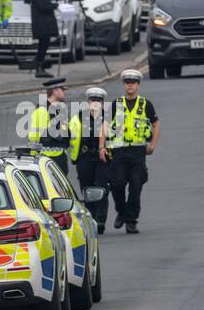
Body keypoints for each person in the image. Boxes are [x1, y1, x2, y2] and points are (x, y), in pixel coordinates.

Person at [101, 69, 158, 234]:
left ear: (138, 85)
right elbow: (104, 126)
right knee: (117, 184)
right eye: (127, 83)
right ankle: (122, 211)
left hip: (138, 151)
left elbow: (156, 124)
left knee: (135, 185)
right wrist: (102, 147)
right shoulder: (116, 104)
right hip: (118, 151)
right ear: (124, 85)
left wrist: (153, 144)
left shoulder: (146, 104)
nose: (130, 86)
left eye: (133, 83)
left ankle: (131, 220)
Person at [70, 86, 110, 233]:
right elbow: (71, 136)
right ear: (88, 102)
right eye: (93, 100)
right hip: (84, 158)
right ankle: (91, 218)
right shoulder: (79, 117)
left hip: (103, 158)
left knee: (101, 187)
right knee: (87, 189)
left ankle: (100, 219)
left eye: (99, 100)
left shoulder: (108, 117)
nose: (95, 103)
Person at [27, 77, 71, 174]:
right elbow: (33, 137)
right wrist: (34, 159)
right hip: (46, 160)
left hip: (60, 158)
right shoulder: (42, 111)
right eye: (62, 90)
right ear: (55, 91)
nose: (64, 92)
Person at [25, 0, 59, 79]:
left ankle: (40, 66)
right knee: (43, 46)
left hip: (42, 24)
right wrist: (56, 5)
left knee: (43, 45)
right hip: (43, 25)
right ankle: (39, 68)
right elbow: (44, 6)